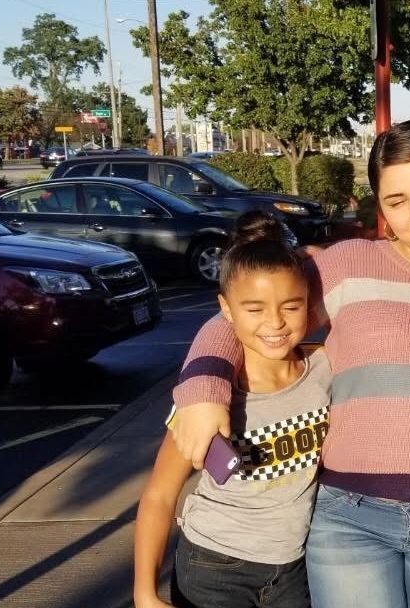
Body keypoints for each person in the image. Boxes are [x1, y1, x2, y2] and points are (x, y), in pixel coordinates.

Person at [166, 120, 410, 608]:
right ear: (380, 208)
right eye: (396, 201)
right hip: (351, 519)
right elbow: (250, 313)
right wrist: (201, 387)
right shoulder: (348, 265)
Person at [133, 210, 331, 608]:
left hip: (294, 569)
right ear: (226, 309)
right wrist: (144, 592)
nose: (274, 322)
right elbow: (159, 494)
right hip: (214, 568)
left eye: (291, 306)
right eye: (254, 309)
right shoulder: (206, 398)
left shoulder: (326, 367)